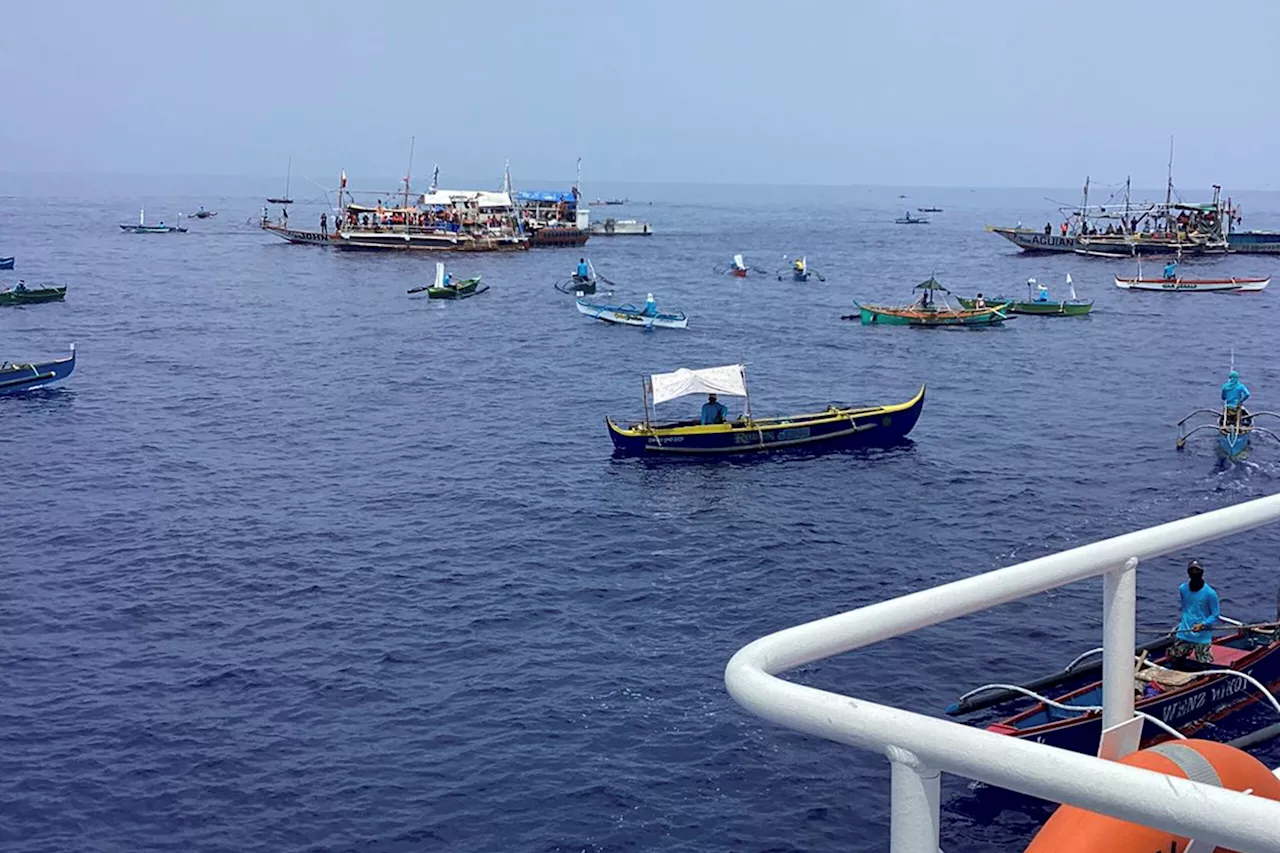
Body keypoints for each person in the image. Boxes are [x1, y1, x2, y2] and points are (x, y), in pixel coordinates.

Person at [1170, 560, 1219, 664]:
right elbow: (1187, 608)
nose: (1194, 573)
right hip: (1184, 632)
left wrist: (1203, 624)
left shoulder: (1210, 593)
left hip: (1202, 635)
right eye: (1192, 570)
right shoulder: (1183, 588)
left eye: (1197, 570)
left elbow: (1215, 615)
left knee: (1204, 663)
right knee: (1175, 657)